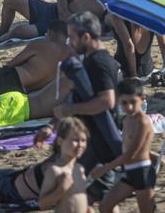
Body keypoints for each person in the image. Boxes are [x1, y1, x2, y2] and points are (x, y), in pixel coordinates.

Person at [39, 12, 122, 203]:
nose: (69, 43)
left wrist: (71, 111)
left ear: (86, 37)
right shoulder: (89, 60)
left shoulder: (98, 63)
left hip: (100, 149)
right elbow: (77, 97)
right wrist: (52, 126)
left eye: (72, 38)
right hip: (90, 145)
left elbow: (106, 101)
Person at [90, 78, 156, 213]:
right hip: (129, 171)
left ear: (142, 99)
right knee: (105, 206)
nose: (129, 107)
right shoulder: (126, 120)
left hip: (142, 171)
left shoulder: (143, 122)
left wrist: (105, 169)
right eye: (124, 103)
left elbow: (130, 153)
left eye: (133, 102)